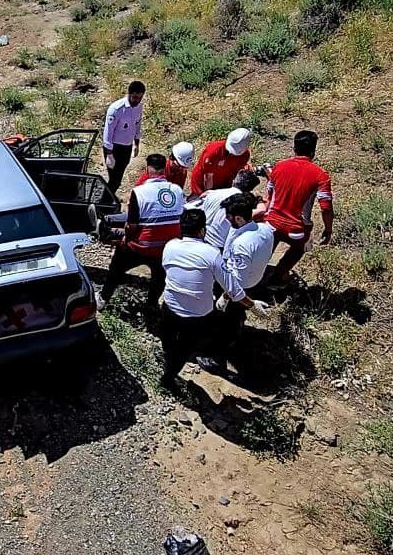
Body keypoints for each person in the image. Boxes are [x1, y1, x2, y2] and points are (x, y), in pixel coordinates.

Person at [99, 154, 185, 310]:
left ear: (147, 169)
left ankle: (103, 298)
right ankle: (152, 304)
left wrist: (125, 239)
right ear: (164, 169)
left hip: (141, 246)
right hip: (167, 248)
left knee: (116, 269)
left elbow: (131, 226)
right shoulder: (178, 190)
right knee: (159, 277)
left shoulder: (139, 192)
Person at [205, 193, 275, 374]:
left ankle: (215, 357)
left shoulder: (242, 245)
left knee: (224, 322)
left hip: (237, 287)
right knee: (233, 317)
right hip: (255, 279)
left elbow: (236, 282)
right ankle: (237, 325)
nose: (226, 220)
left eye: (228, 217)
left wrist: (225, 297)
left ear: (239, 217)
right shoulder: (264, 229)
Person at [158, 209, 220, 389]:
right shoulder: (212, 253)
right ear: (202, 230)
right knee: (185, 348)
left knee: (168, 338)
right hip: (197, 314)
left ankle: (168, 357)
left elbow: (167, 268)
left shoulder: (170, 245)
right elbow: (228, 284)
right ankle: (168, 377)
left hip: (170, 305)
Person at [263, 131, 334, 284]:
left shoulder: (279, 166)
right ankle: (278, 278)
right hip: (296, 229)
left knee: (266, 251)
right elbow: (326, 208)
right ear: (313, 151)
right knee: (300, 247)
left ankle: (258, 273)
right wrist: (328, 230)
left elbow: (269, 195)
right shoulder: (321, 175)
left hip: (271, 223)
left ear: (294, 148)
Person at [188, 170, 261, 250]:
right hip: (218, 245)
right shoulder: (241, 205)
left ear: (234, 182)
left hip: (200, 236)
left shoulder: (212, 193)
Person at [102, 81, 145, 194]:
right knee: (114, 180)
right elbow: (108, 133)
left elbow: (137, 125)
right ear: (129, 94)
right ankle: (103, 204)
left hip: (127, 147)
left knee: (118, 180)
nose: (137, 100)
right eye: (135, 97)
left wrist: (136, 144)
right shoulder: (117, 109)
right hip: (114, 148)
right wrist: (109, 154)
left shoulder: (138, 107)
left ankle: (108, 200)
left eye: (140, 98)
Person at [188, 128, 252, 198]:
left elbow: (234, 175)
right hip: (203, 184)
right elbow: (207, 176)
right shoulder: (213, 151)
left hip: (223, 185)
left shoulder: (244, 156)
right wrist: (206, 194)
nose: (230, 153)